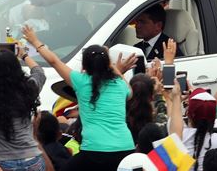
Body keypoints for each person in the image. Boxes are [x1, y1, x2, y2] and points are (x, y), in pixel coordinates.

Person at [22, 25, 136, 170]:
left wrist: (35, 41)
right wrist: (111, 65)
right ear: (107, 63)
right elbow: (130, 92)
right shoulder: (120, 84)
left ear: (85, 65)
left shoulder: (81, 81)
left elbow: (54, 61)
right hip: (125, 148)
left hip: (95, 151)